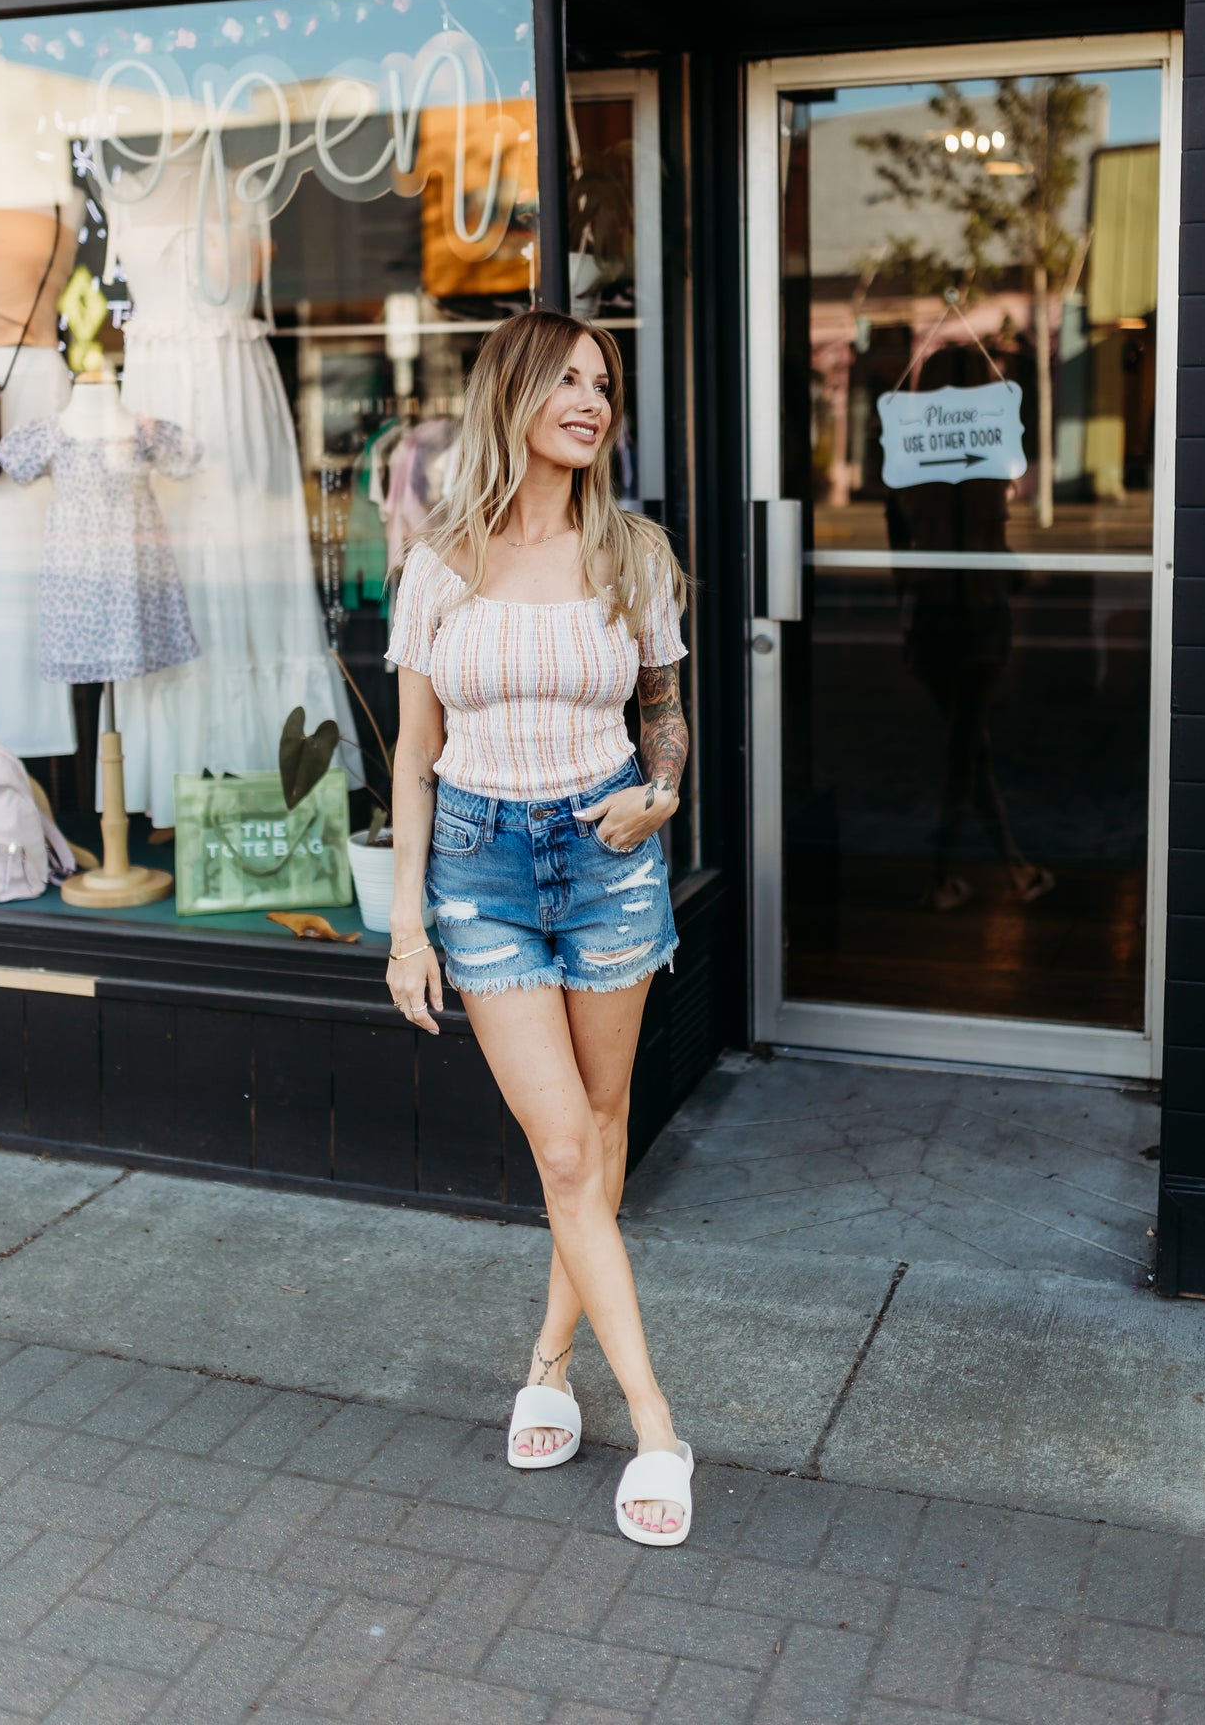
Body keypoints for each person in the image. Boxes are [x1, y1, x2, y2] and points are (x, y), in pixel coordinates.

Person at [384, 308, 695, 1547]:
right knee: (565, 1149)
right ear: (509, 388)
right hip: (480, 868)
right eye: (566, 377)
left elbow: (664, 715)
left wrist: (659, 789)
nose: (590, 398)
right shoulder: (440, 560)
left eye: (603, 383)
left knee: (602, 1130)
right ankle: (661, 1427)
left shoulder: (632, 553)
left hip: (607, 861)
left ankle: (548, 1364)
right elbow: (413, 757)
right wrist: (406, 927)